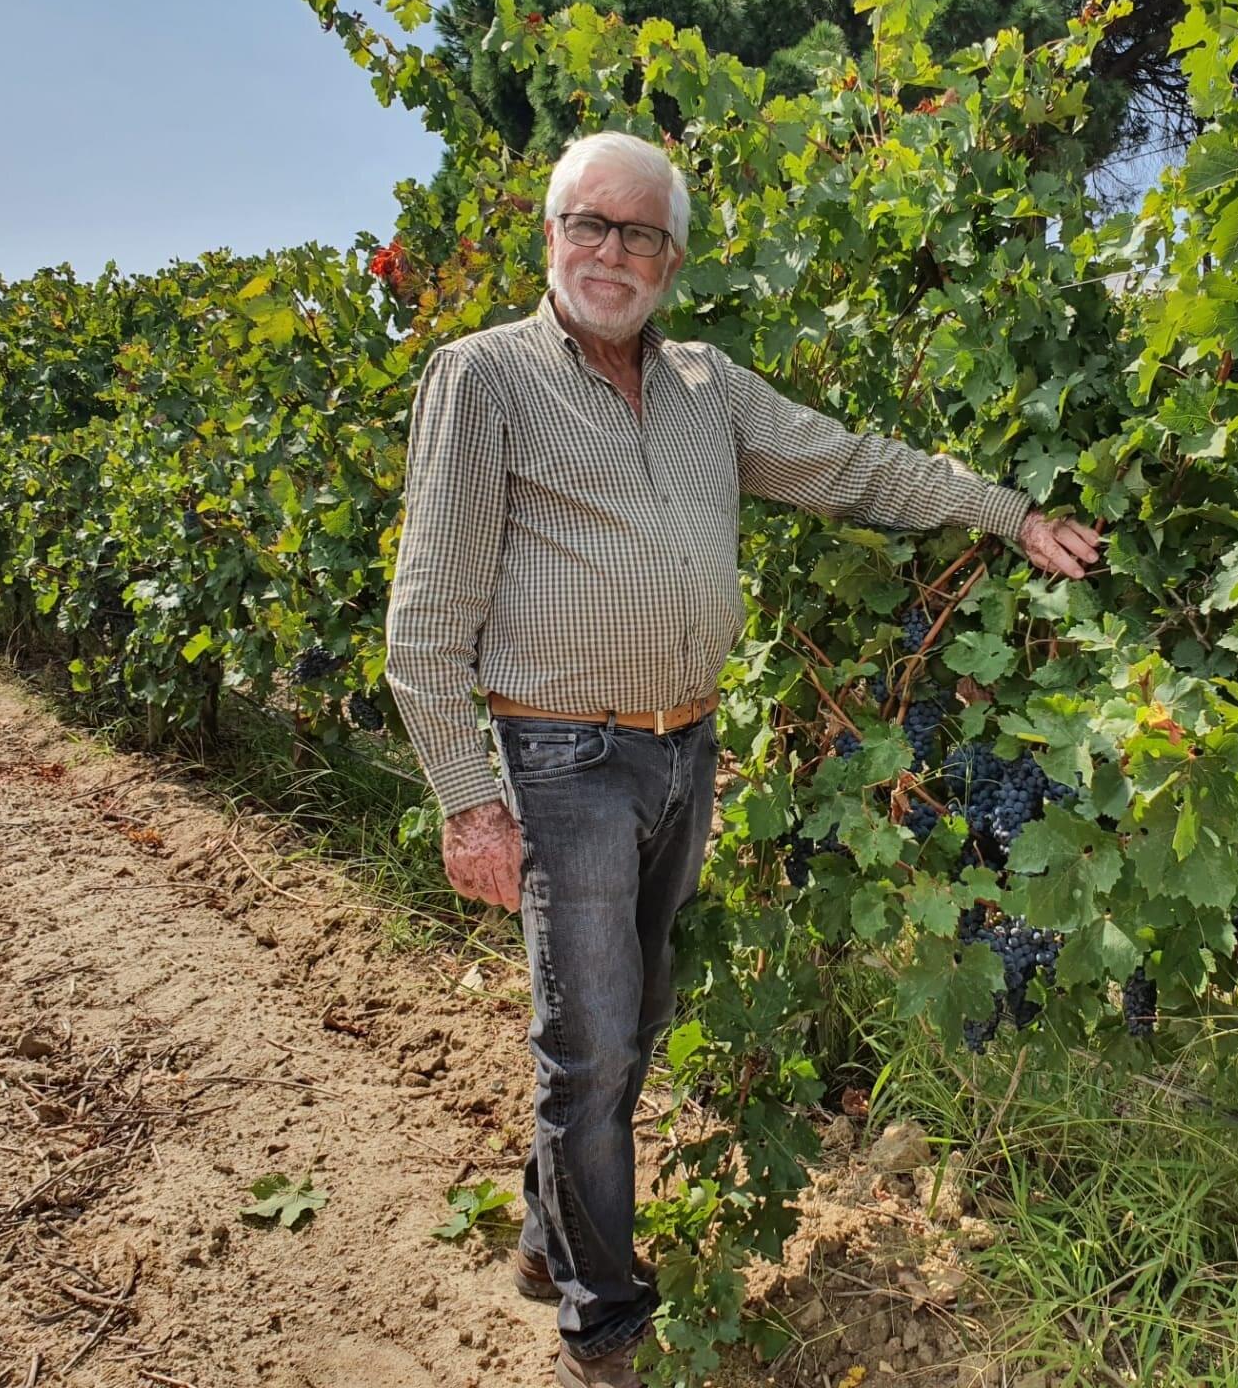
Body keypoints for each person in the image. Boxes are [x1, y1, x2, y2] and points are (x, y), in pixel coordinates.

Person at [383, 130, 1102, 1388]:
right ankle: (604, 1316)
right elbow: (426, 614)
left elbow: (853, 465)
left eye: (642, 233)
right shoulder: (483, 377)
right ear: (552, 237)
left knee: (634, 1018)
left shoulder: (714, 387)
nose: (614, 252)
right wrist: (466, 801)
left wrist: (1008, 512)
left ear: (674, 256)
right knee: (594, 1042)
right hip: (559, 760)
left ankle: (553, 1237)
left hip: (682, 751)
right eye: (591, 227)